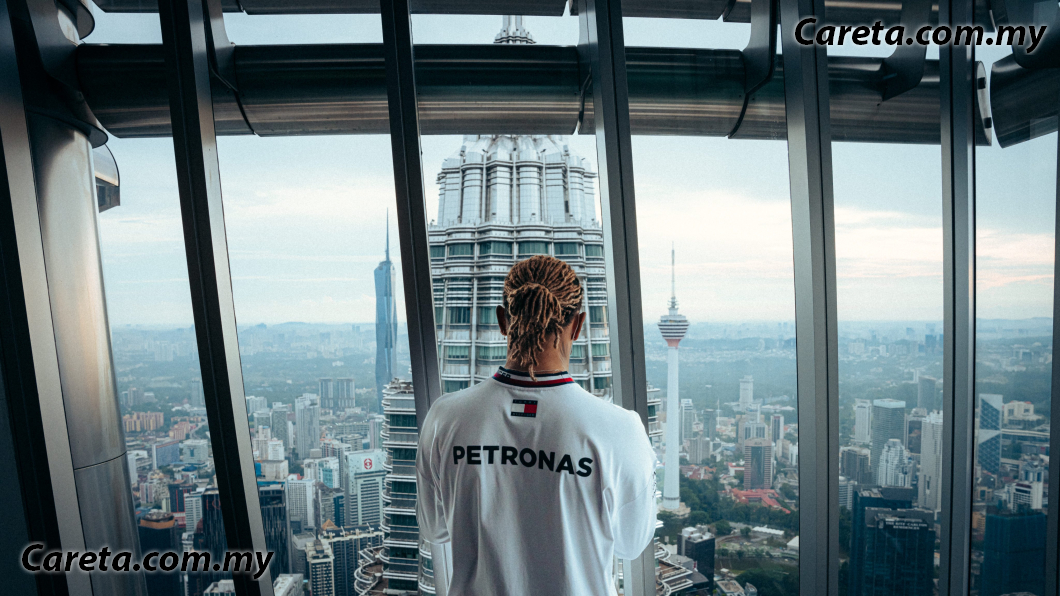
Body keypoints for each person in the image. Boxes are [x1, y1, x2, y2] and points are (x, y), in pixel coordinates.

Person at [417, 255, 657, 595]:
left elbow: (434, 528)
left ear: (502, 320)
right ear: (578, 326)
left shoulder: (445, 417)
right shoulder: (621, 429)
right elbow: (631, 544)